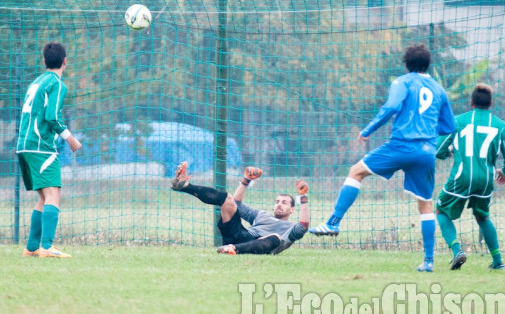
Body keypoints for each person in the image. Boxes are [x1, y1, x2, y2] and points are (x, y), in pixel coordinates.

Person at [309, 44, 456, 272]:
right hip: (426, 152)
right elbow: (449, 126)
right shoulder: (439, 89)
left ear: (406, 65)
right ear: (428, 65)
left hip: (400, 145)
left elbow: (392, 106)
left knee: (356, 172)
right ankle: (428, 261)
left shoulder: (402, 81)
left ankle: (333, 223)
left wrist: (367, 130)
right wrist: (426, 137)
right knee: (425, 205)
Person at [435, 83, 505, 271]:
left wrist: (449, 152)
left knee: (440, 211)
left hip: (461, 177)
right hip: (486, 180)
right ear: (491, 103)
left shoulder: (457, 121)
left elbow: (438, 150)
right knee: (482, 216)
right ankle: (498, 262)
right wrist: (504, 172)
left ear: (471, 102)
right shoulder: (500, 126)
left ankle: (457, 250)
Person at [17, 42, 82, 258]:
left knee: (44, 197)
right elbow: (52, 116)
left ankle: (32, 247)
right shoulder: (57, 83)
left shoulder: (36, 82)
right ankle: (46, 246)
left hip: (24, 146)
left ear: (44, 62)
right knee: (54, 194)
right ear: (65, 61)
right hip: (41, 147)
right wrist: (69, 138)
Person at [170, 161, 310, 255]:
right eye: (277, 201)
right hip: (240, 235)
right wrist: (246, 180)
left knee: (276, 238)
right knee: (228, 199)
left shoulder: (291, 229)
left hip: (259, 245)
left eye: (284, 203)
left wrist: (303, 197)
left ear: (292, 209)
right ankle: (184, 185)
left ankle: (233, 249)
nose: (279, 204)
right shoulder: (262, 215)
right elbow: (237, 203)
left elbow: (304, 225)